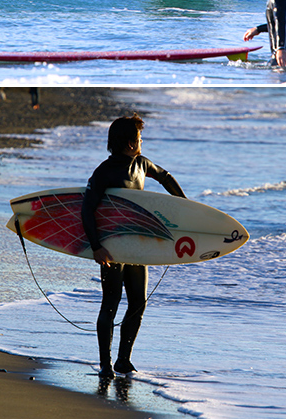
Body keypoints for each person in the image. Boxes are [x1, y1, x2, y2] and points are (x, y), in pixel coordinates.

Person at [81, 113, 186, 379]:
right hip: (113, 247)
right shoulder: (103, 172)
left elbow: (164, 176)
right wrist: (96, 247)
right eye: (139, 138)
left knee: (138, 302)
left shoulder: (141, 165)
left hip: (137, 246)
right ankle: (105, 363)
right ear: (129, 143)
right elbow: (86, 210)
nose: (142, 142)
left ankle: (123, 360)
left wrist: (184, 204)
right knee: (111, 303)